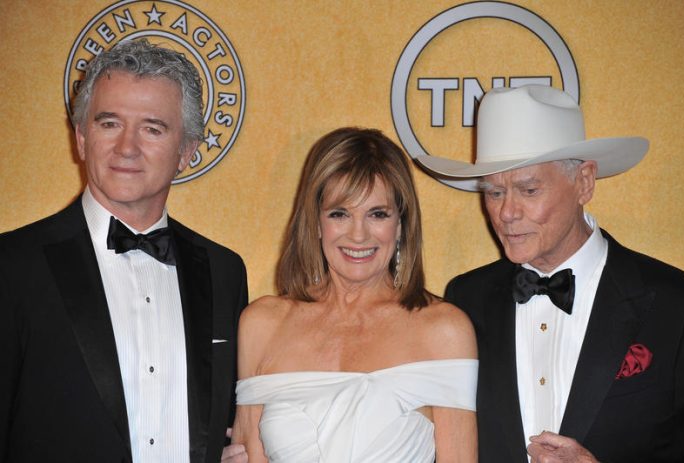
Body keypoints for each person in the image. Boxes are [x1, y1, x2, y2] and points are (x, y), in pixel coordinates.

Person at [0, 39, 249, 463]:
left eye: (153, 128)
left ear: (186, 152)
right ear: (81, 138)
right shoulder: (12, 266)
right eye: (109, 123)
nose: (126, 147)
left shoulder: (224, 271)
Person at [417, 84, 684, 462]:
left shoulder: (678, 307)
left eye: (529, 190)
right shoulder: (466, 299)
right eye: (495, 193)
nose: (506, 213)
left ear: (584, 182)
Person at [231, 127, 478, 462]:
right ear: (316, 222)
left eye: (377, 214)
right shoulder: (262, 325)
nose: (358, 235)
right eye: (340, 213)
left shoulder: (444, 331)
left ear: (400, 224)